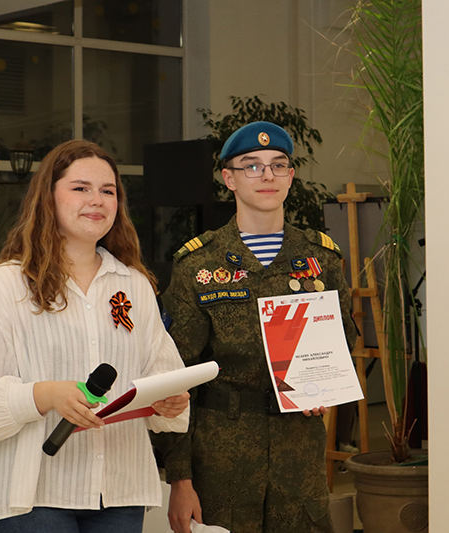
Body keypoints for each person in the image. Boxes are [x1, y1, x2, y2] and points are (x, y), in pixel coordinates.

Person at [0, 140, 190, 533]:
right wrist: (44, 395)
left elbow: (161, 374)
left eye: (108, 191)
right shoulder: (5, 285)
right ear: (49, 197)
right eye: (80, 188)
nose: (97, 200)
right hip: (29, 497)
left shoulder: (135, 285)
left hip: (120, 493)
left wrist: (169, 400)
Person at [153, 121, 357, 533]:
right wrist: (180, 479)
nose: (267, 175)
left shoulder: (321, 258)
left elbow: (343, 339)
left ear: (290, 176)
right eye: (252, 166)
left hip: (298, 452)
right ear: (229, 178)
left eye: (278, 165)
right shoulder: (199, 264)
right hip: (221, 455)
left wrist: (323, 385)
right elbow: (174, 376)